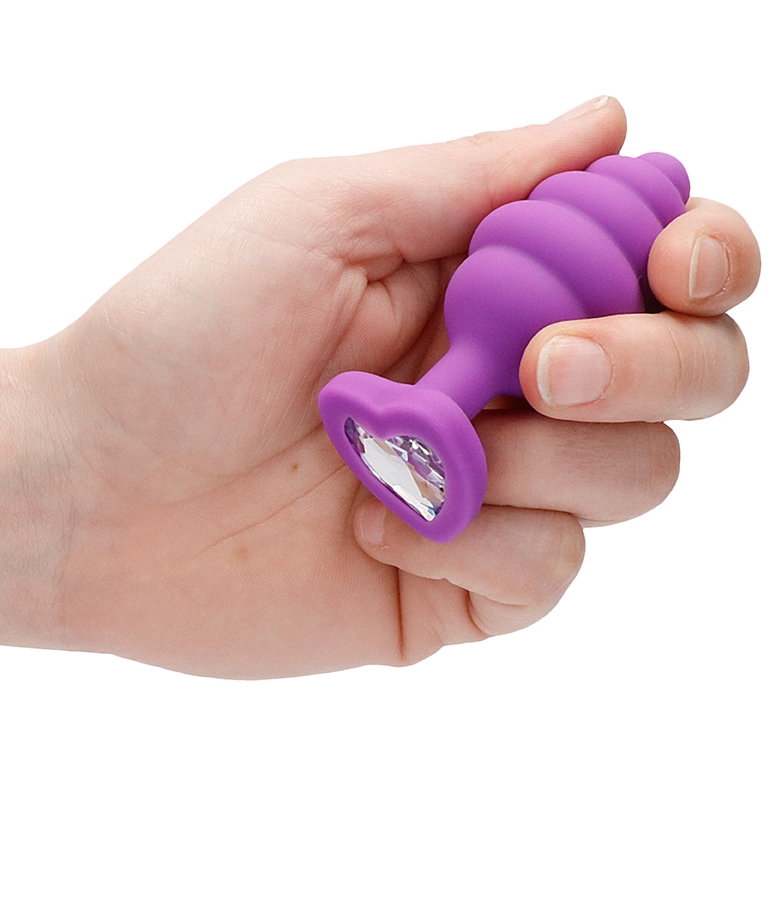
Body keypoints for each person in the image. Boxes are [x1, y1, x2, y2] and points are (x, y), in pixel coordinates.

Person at [0, 97, 761, 678]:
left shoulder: (507, 314)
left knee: (574, 364)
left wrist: (78, 498)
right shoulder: (471, 301)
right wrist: (72, 462)